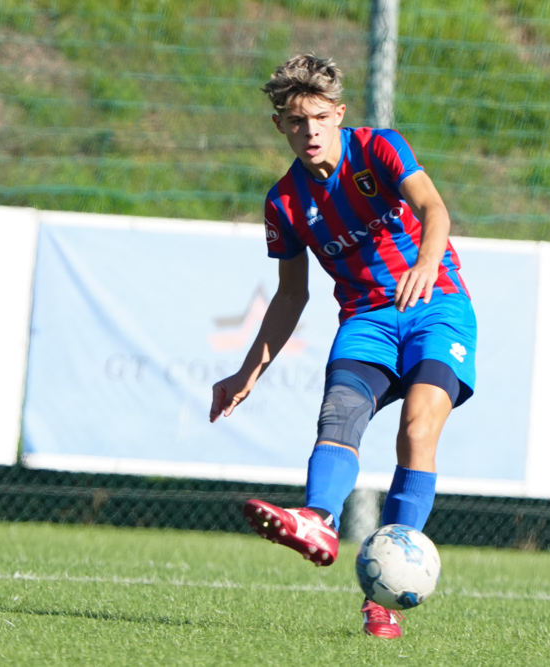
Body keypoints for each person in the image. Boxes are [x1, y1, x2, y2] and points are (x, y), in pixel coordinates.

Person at [209, 54, 476, 639]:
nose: (309, 131)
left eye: (319, 118)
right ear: (280, 126)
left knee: (417, 429)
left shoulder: (379, 149)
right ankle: (317, 520)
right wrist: (247, 372)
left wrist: (426, 263)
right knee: (340, 413)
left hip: (437, 305)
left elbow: (433, 208)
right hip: (367, 319)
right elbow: (291, 296)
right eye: (295, 121)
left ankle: (385, 598)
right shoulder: (284, 202)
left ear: (339, 115)